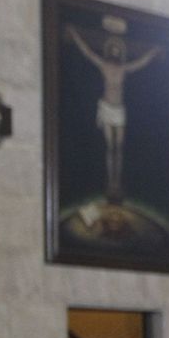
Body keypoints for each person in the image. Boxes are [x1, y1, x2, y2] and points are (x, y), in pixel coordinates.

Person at [65, 26, 162, 204]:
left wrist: (152, 53)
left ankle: (118, 182)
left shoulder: (123, 68)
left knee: (120, 147)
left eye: (118, 51)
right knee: (110, 147)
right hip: (107, 108)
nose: (116, 54)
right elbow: (87, 52)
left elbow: (140, 63)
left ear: (120, 54)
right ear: (110, 52)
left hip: (119, 110)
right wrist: (75, 35)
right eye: (113, 50)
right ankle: (111, 182)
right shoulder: (104, 65)